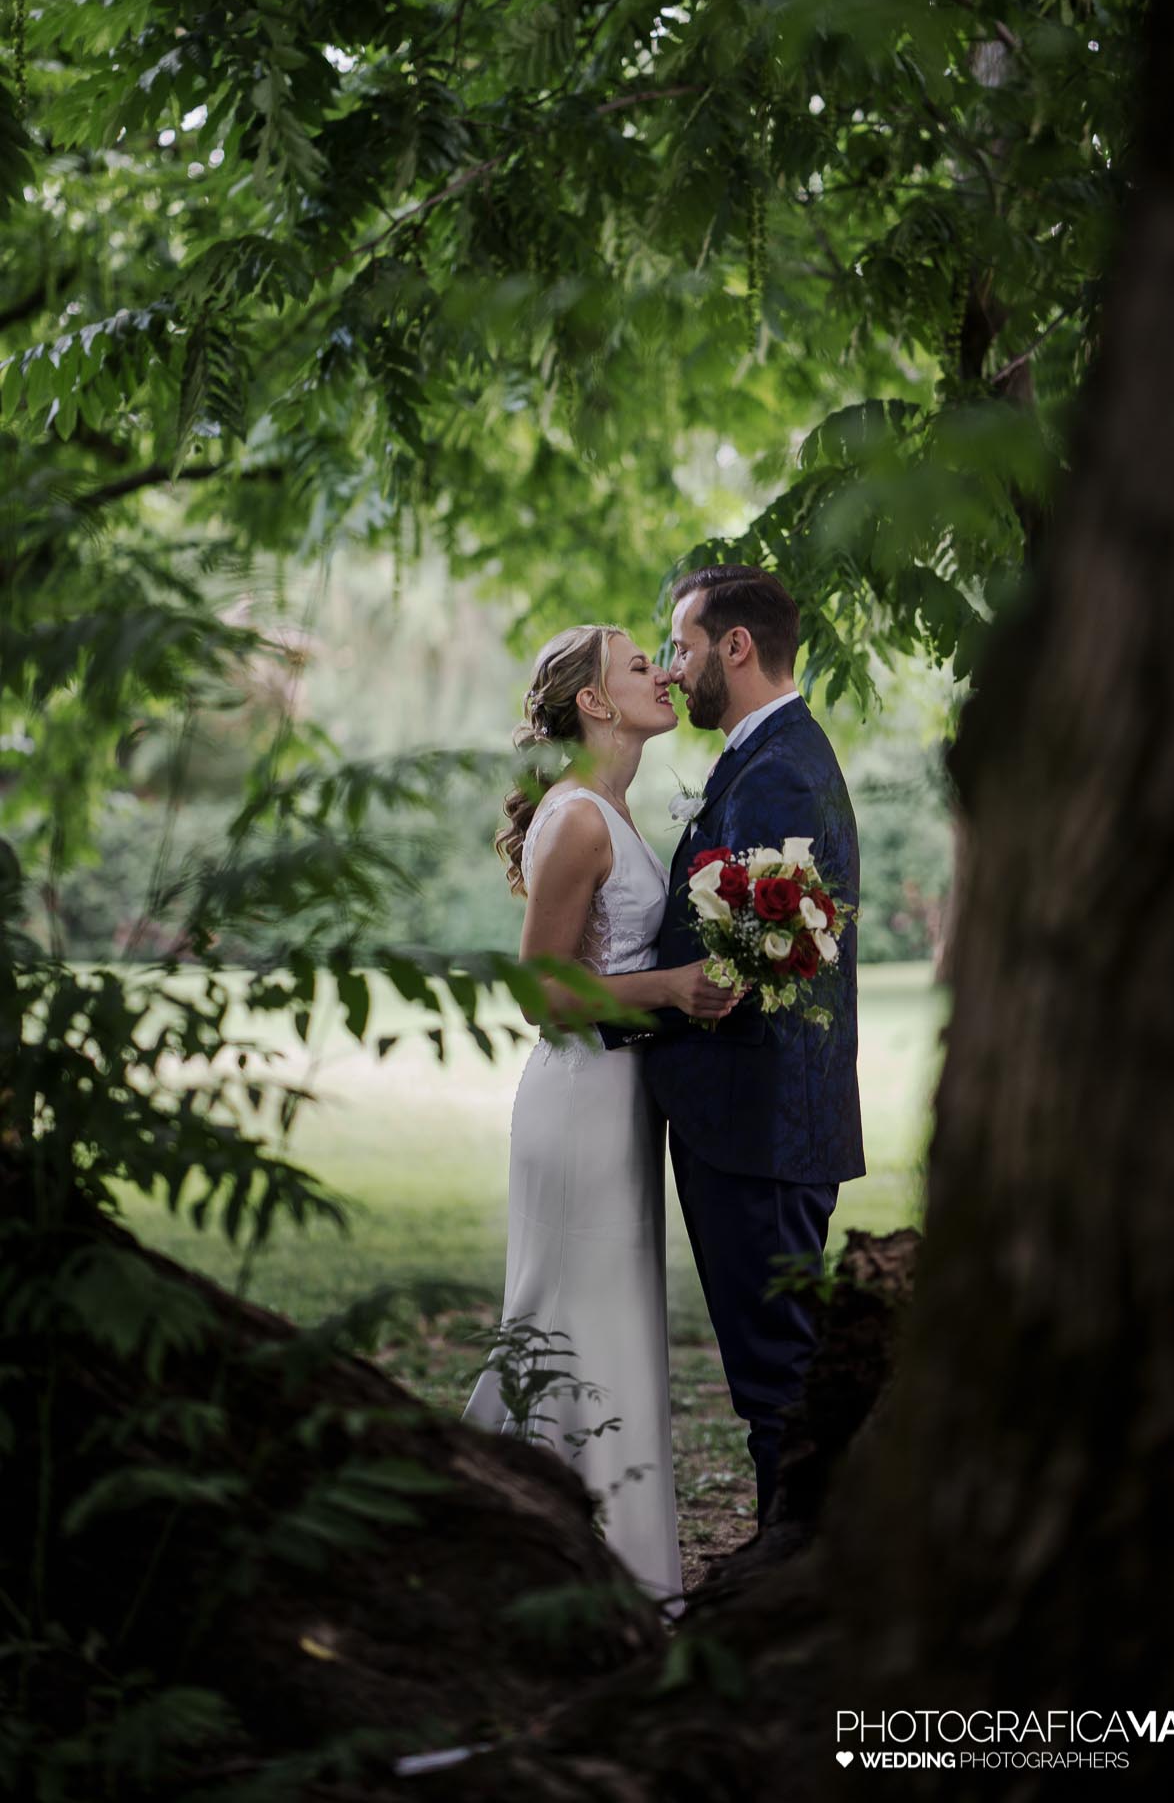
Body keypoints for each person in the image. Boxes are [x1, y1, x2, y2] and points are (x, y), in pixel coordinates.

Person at [461, 624, 738, 1614]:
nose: (662, 674)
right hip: (579, 1100)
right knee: (567, 1323)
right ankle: (514, 1543)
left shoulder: (611, 808)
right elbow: (543, 991)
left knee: (605, 1323)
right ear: (592, 701)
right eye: (638, 665)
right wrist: (672, 984)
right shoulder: (577, 818)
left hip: (619, 1097)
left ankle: (588, 1559)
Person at [638, 564, 864, 1528]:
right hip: (761, 1124)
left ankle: (796, 1565)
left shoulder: (777, 771)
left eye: (682, 648)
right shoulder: (767, 756)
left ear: (735, 647)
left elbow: (758, 962)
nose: (672, 668)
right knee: (779, 1375)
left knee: (778, 1383)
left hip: (759, 1126)